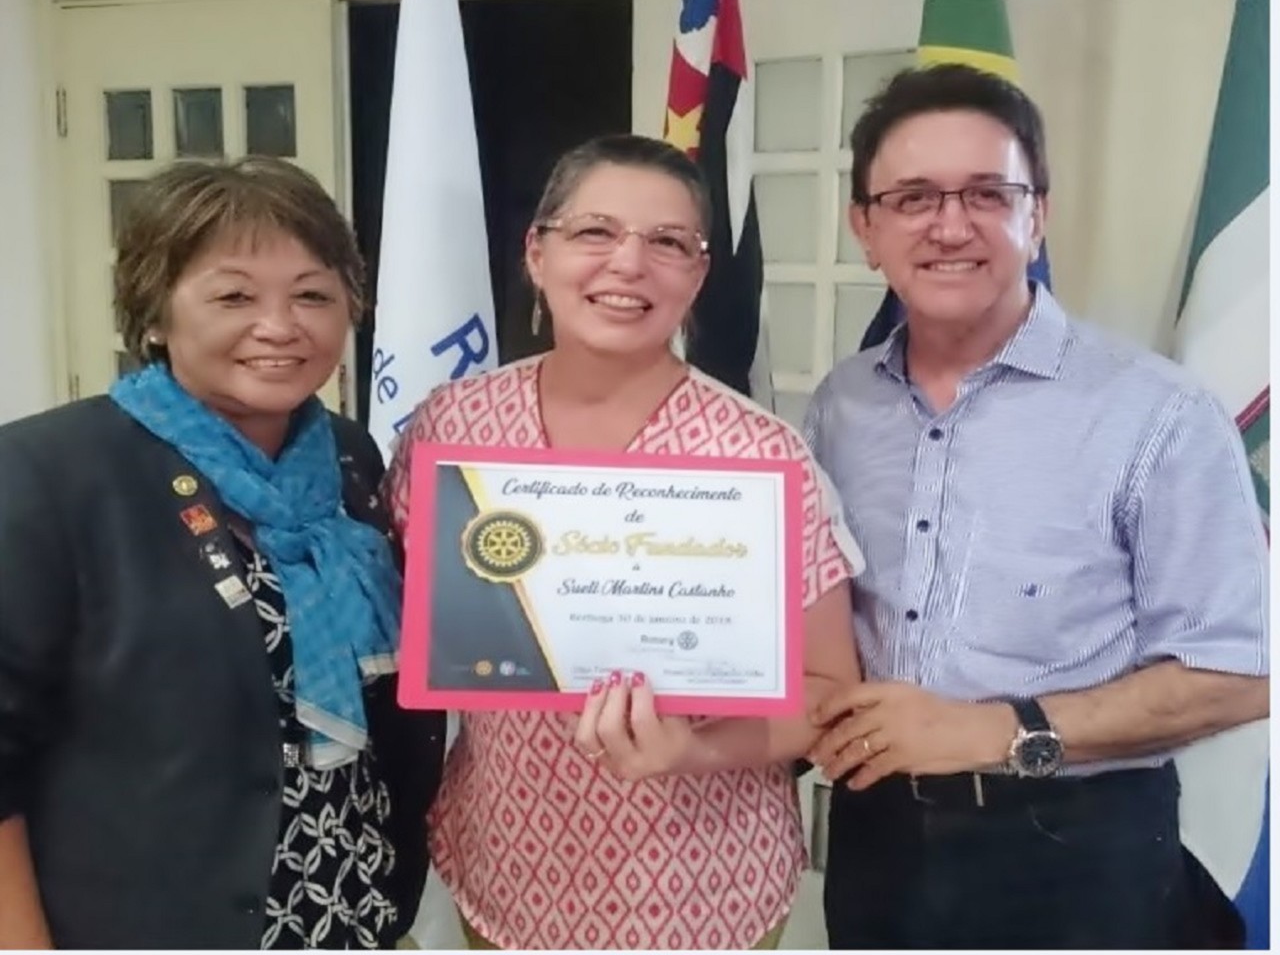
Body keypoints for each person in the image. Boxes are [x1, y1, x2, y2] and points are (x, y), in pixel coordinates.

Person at [803, 63, 1270, 949]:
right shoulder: (840, 405)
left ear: (1037, 215)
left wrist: (996, 731)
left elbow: (1244, 674)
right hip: (876, 838)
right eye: (912, 197)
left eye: (988, 193)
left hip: (1079, 848)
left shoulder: (1156, 413)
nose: (951, 225)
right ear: (865, 227)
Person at [382, 133, 863, 950]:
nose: (629, 263)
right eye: (594, 231)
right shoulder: (452, 427)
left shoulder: (759, 456)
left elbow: (828, 694)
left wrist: (694, 748)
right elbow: (413, 618)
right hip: (506, 859)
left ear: (698, 275)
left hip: (700, 881)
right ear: (537, 253)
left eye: (668, 243)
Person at [0, 156, 445, 949]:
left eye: (312, 295)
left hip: (355, 910)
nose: (280, 326)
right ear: (154, 314)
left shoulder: (348, 460)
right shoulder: (47, 474)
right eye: (234, 297)